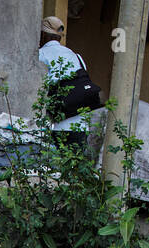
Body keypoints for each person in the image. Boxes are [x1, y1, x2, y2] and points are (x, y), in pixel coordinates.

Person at [38, 15, 99, 151]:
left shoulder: (40, 55)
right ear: (59, 38)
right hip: (80, 126)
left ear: (42, 35)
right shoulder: (76, 56)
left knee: (52, 169)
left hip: (56, 126)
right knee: (74, 168)